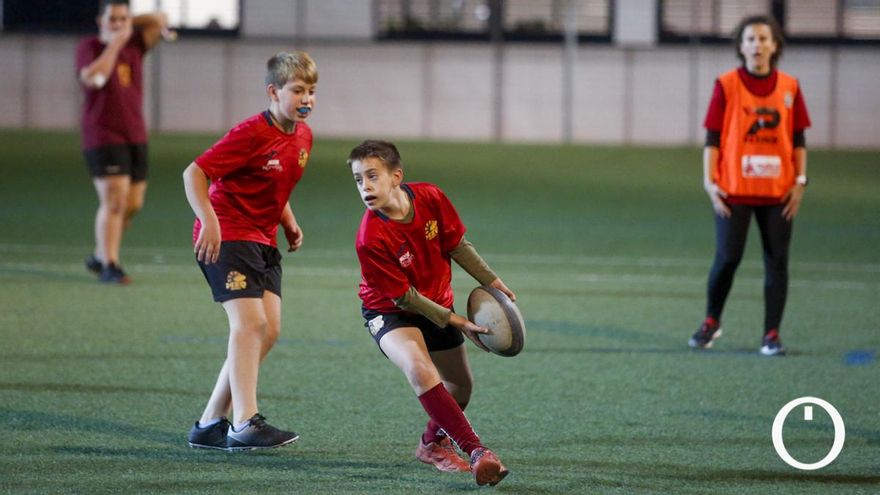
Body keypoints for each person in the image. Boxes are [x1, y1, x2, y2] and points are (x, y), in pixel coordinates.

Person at [349, 140, 513, 486]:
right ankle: (478, 452)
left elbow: (457, 245)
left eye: (372, 176)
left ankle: (430, 444)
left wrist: (493, 282)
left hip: (437, 302)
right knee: (420, 369)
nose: (365, 186)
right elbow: (404, 298)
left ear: (396, 177)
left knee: (461, 386)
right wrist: (458, 321)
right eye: (359, 180)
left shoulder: (430, 197)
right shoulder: (370, 237)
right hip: (391, 311)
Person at [182, 51, 317, 450]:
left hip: (262, 239)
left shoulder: (304, 136)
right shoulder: (250, 133)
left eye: (311, 91)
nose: (306, 98)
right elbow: (195, 172)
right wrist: (208, 220)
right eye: (297, 90)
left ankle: (209, 424)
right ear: (273, 92)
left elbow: (274, 185)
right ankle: (244, 423)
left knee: (268, 331)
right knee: (250, 325)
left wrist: (287, 221)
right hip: (227, 234)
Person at [689, 15, 811, 356]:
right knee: (727, 258)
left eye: (763, 38)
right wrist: (710, 184)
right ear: (741, 46)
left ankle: (771, 334)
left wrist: (800, 181)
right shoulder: (726, 85)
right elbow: (712, 138)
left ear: (775, 45)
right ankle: (712, 321)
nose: (757, 44)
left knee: (777, 262)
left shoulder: (789, 87)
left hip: (778, 193)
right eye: (750, 39)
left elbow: (799, 139)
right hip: (734, 191)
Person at [76, 0, 173, 284]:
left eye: (122, 19)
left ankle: (99, 254)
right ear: (100, 21)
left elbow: (161, 17)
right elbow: (94, 79)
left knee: (133, 204)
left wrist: (130, 25)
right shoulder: (89, 47)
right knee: (115, 202)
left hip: (135, 134)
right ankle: (110, 265)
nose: (118, 24)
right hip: (103, 135)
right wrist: (115, 44)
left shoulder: (135, 44)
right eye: (112, 19)